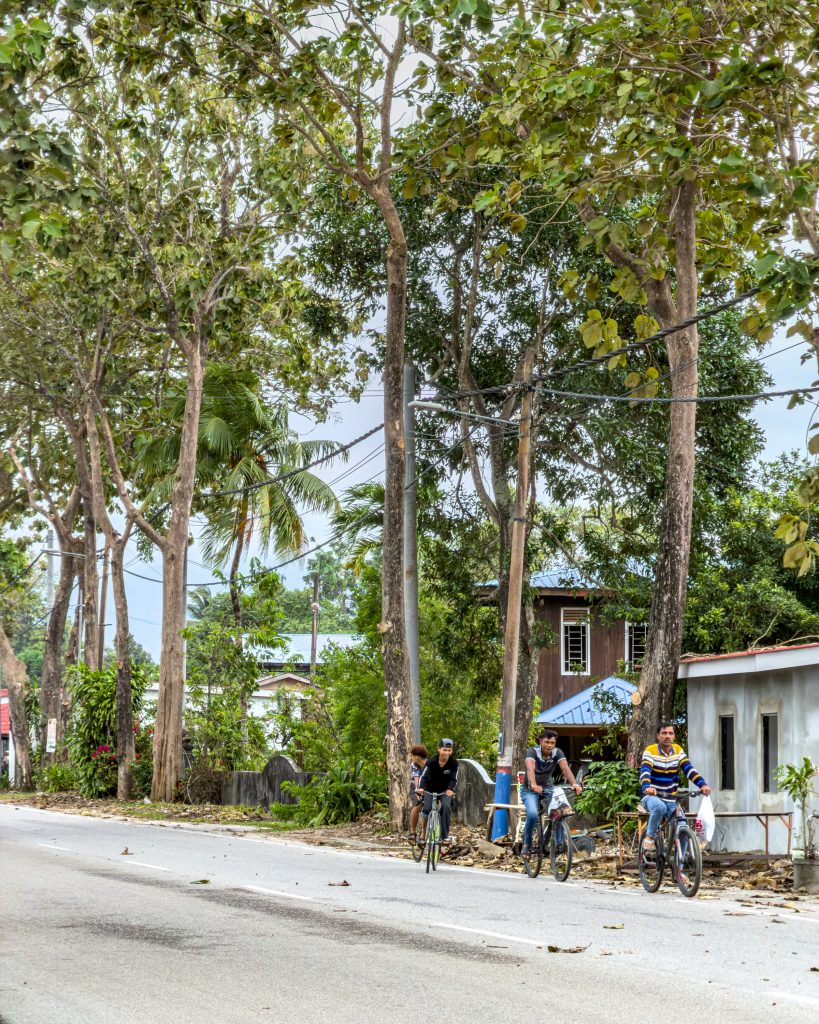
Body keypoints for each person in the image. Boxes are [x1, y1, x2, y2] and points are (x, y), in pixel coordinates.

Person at [640, 721, 711, 854]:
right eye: (664, 733)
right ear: (658, 735)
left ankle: (680, 864)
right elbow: (645, 771)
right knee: (659, 807)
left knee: (683, 827)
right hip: (652, 797)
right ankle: (650, 836)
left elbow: (689, 770)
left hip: (671, 799)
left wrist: (702, 785)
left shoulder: (678, 750)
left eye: (670, 733)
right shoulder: (650, 751)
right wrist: (647, 786)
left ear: (674, 736)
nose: (667, 736)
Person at [521, 729, 583, 856]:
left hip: (548, 788)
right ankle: (527, 844)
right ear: (541, 741)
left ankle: (558, 843)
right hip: (530, 790)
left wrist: (574, 784)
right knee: (532, 814)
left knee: (560, 810)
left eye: (552, 743)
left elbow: (565, 768)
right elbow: (530, 768)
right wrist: (534, 785)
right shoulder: (533, 751)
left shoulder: (557, 752)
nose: (549, 745)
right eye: (547, 742)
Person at [416, 738, 459, 844]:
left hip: (445, 791)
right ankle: (423, 833)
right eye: (444, 750)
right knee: (427, 809)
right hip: (429, 790)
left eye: (449, 750)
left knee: (446, 807)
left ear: (452, 751)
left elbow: (454, 779)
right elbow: (423, 776)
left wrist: (450, 789)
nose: (446, 753)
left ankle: (444, 836)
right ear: (439, 749)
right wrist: (421, 788)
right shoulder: (431, 762)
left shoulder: (453, 763)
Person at [407, 743, 428, 842]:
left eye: (412, 756)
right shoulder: (414, 765)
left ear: (417, 757)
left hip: (427, 786)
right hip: (415, 786)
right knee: (418, 805)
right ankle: (413, 832)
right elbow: (416, 779)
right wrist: (417, 790)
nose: (411, 758)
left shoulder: (429, 764)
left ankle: (424, 833)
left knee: (428, 807)